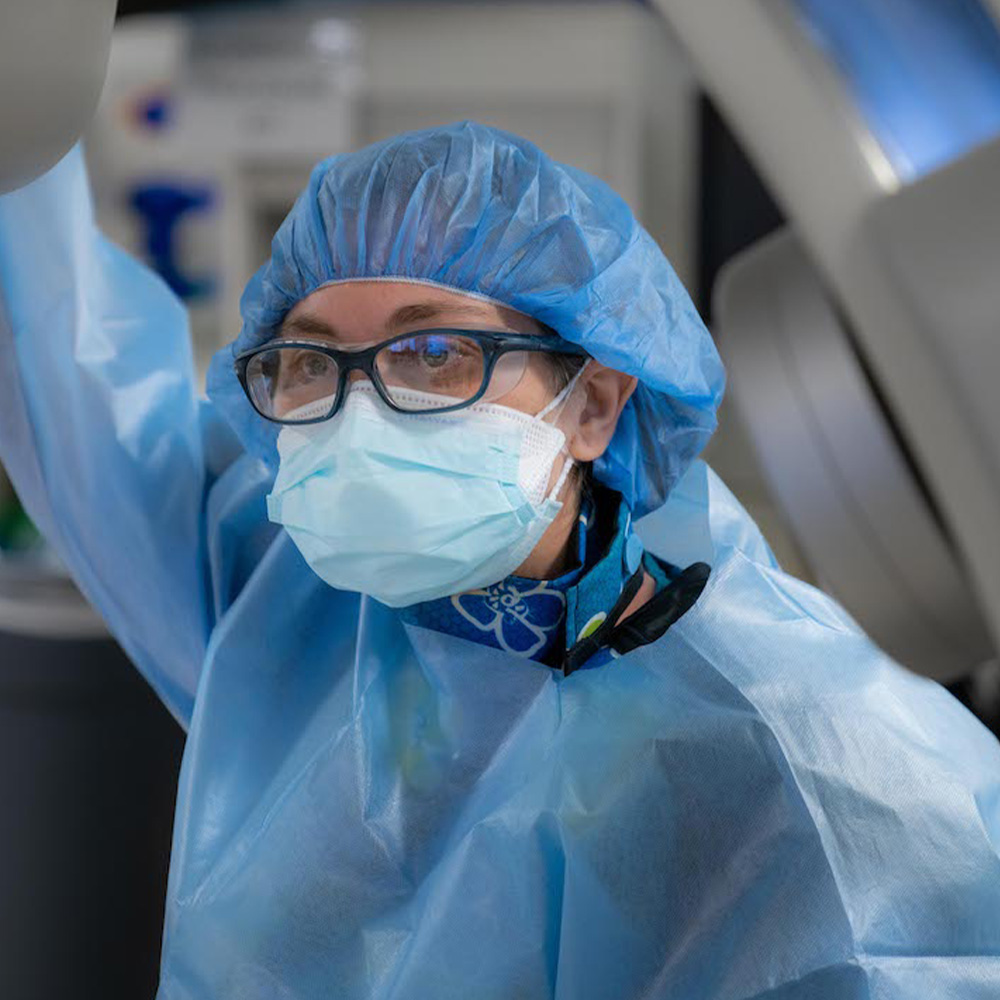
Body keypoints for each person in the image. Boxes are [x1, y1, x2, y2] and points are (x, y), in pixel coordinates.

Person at [0, 121, 998, 999]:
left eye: (434, 354)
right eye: (309, 362)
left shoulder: (806, 762)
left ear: (594, 404)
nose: (359, 414)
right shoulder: (285, 618)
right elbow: (69, 371)